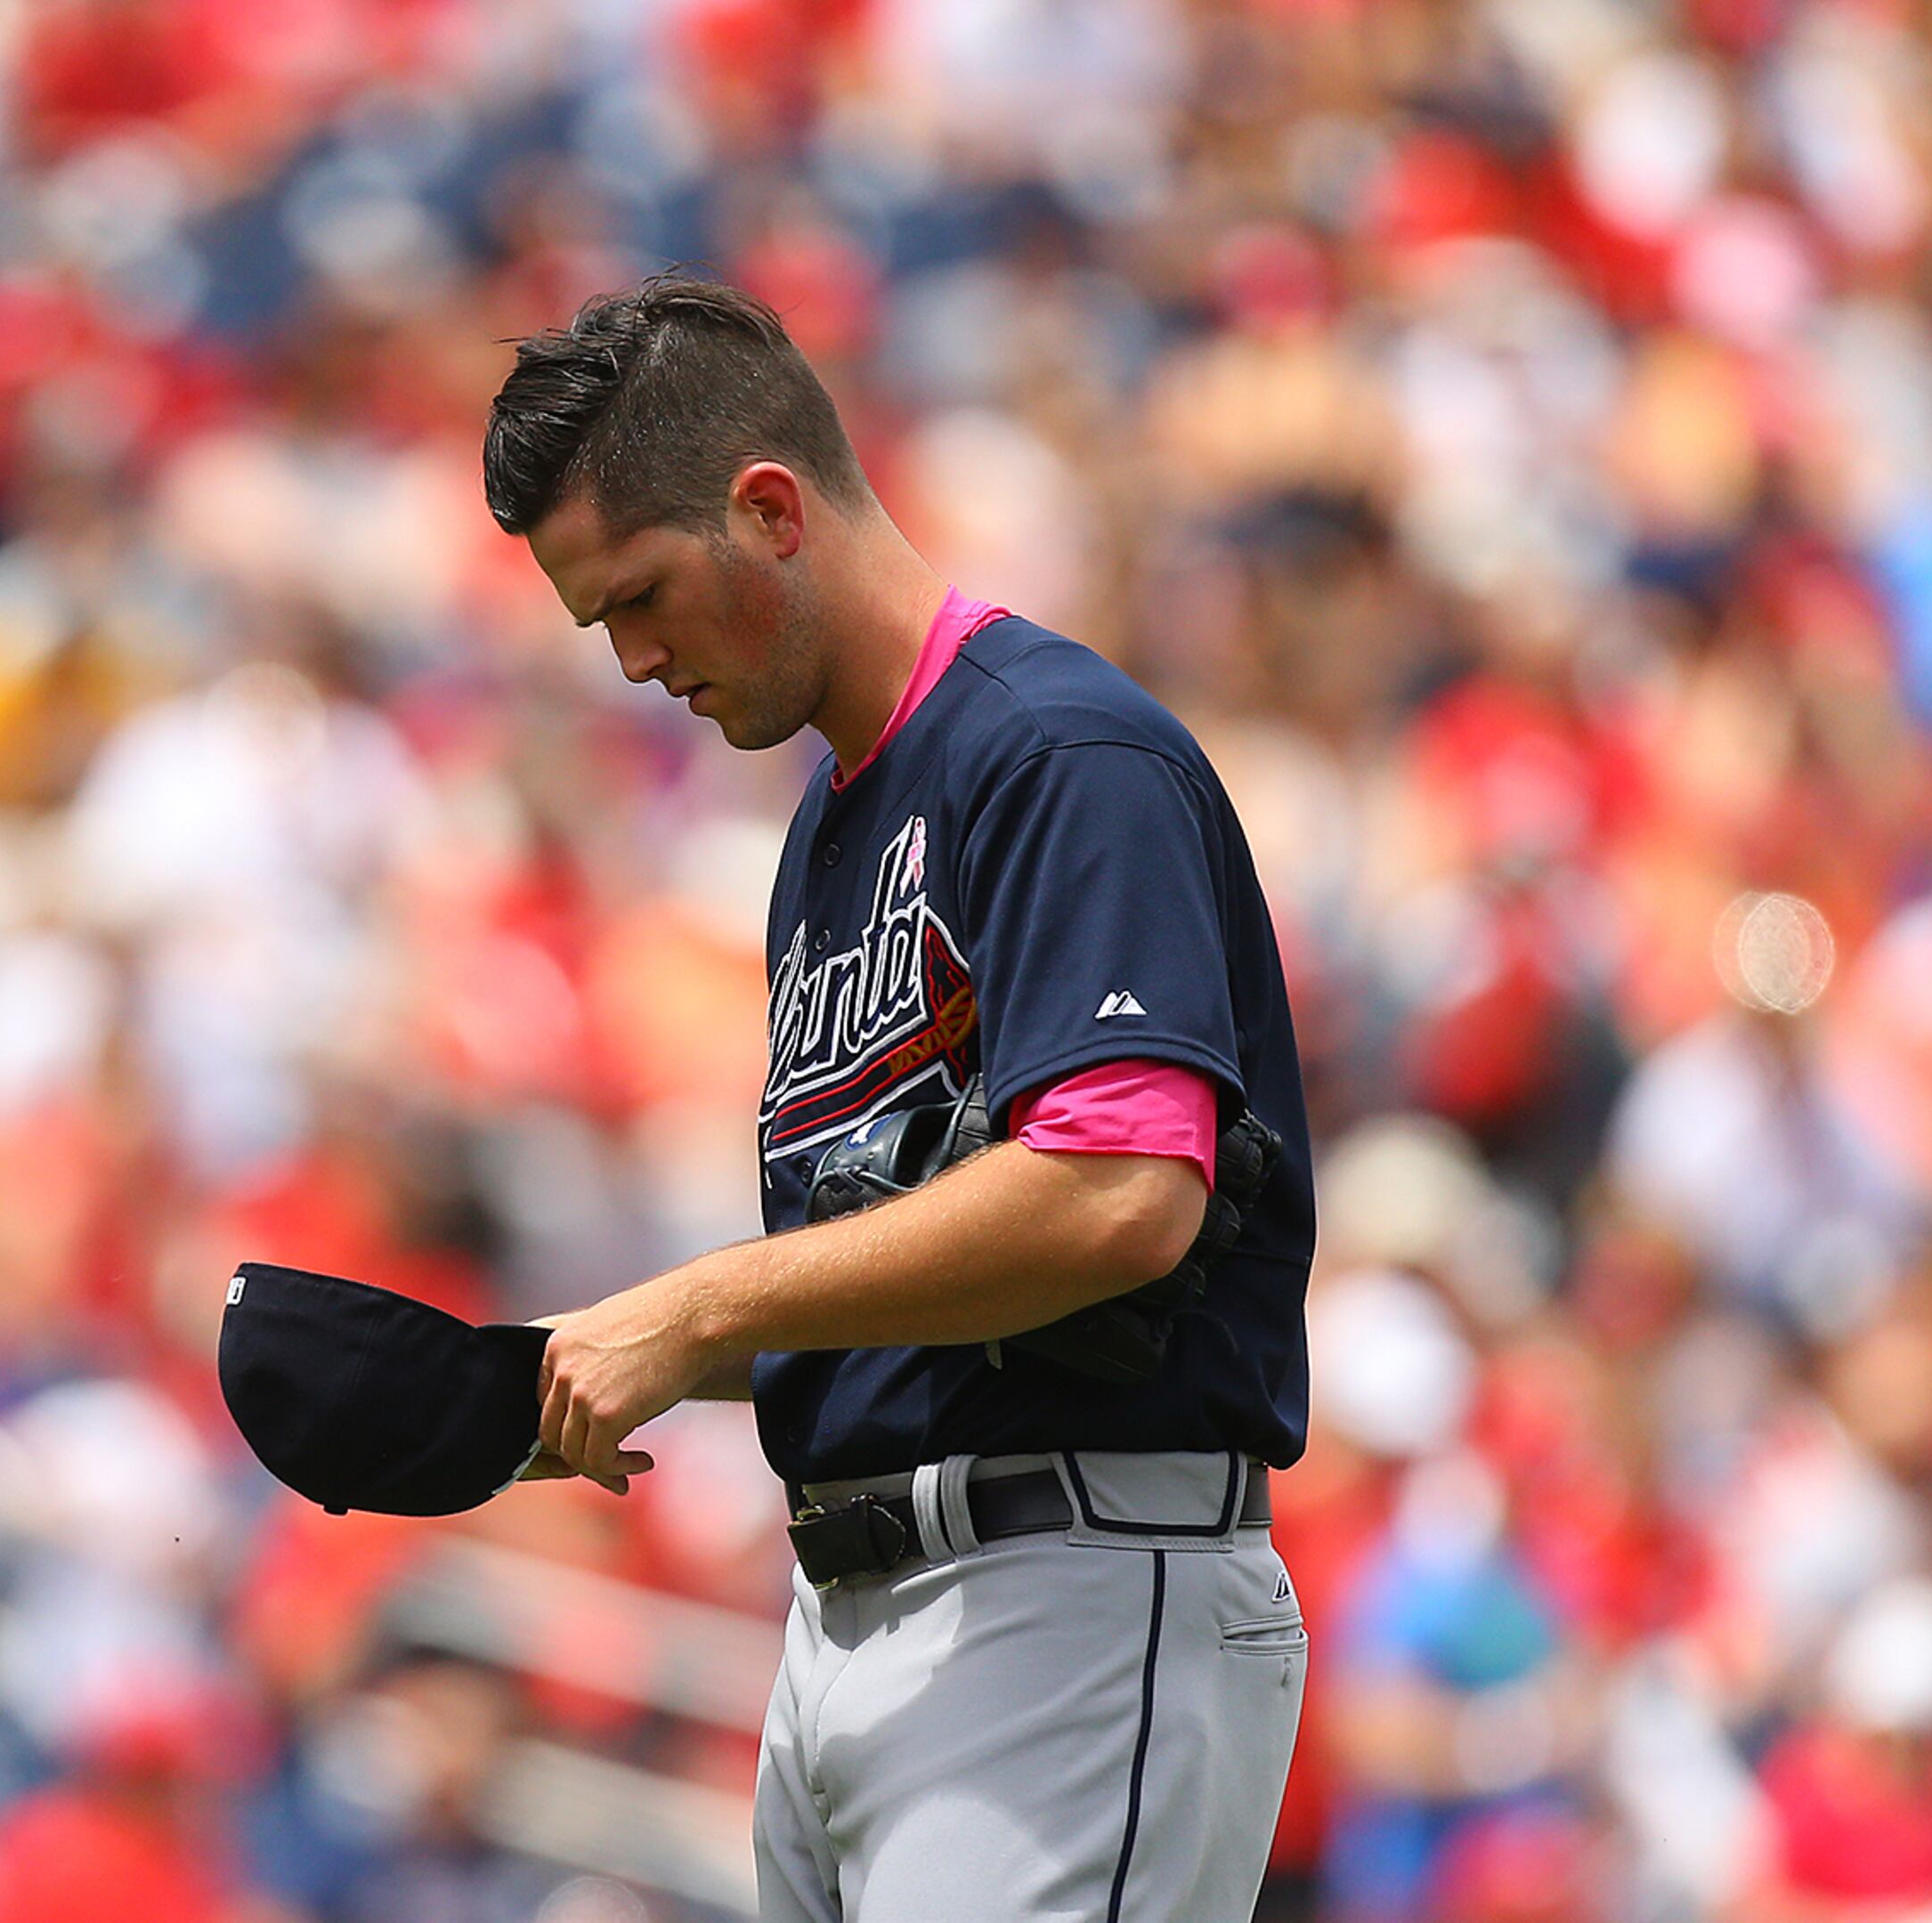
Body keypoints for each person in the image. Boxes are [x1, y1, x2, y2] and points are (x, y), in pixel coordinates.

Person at [483, 275, 1317, 1921]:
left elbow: (1119, 1186)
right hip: (866, 1626)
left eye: (644, 596)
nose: (636, 660)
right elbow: (911, 1283)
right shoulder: (831, 829)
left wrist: (697, 1307)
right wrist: (571, 1374)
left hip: (1066, 1601)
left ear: (770, 509)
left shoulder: (1058, 753)